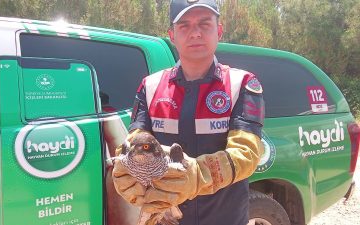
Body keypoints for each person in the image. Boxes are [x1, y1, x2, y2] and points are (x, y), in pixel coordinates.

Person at [111, 0, 265, 225]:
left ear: (219, 31)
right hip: (165, 218)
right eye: (184, 25)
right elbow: (135, 140)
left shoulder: (242, 83)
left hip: (224, 218)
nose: (195, 33)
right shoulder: (150, 86)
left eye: (204, 24)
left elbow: (247, 154)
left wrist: (196, 175)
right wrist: (125, 166)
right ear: (172, 35)